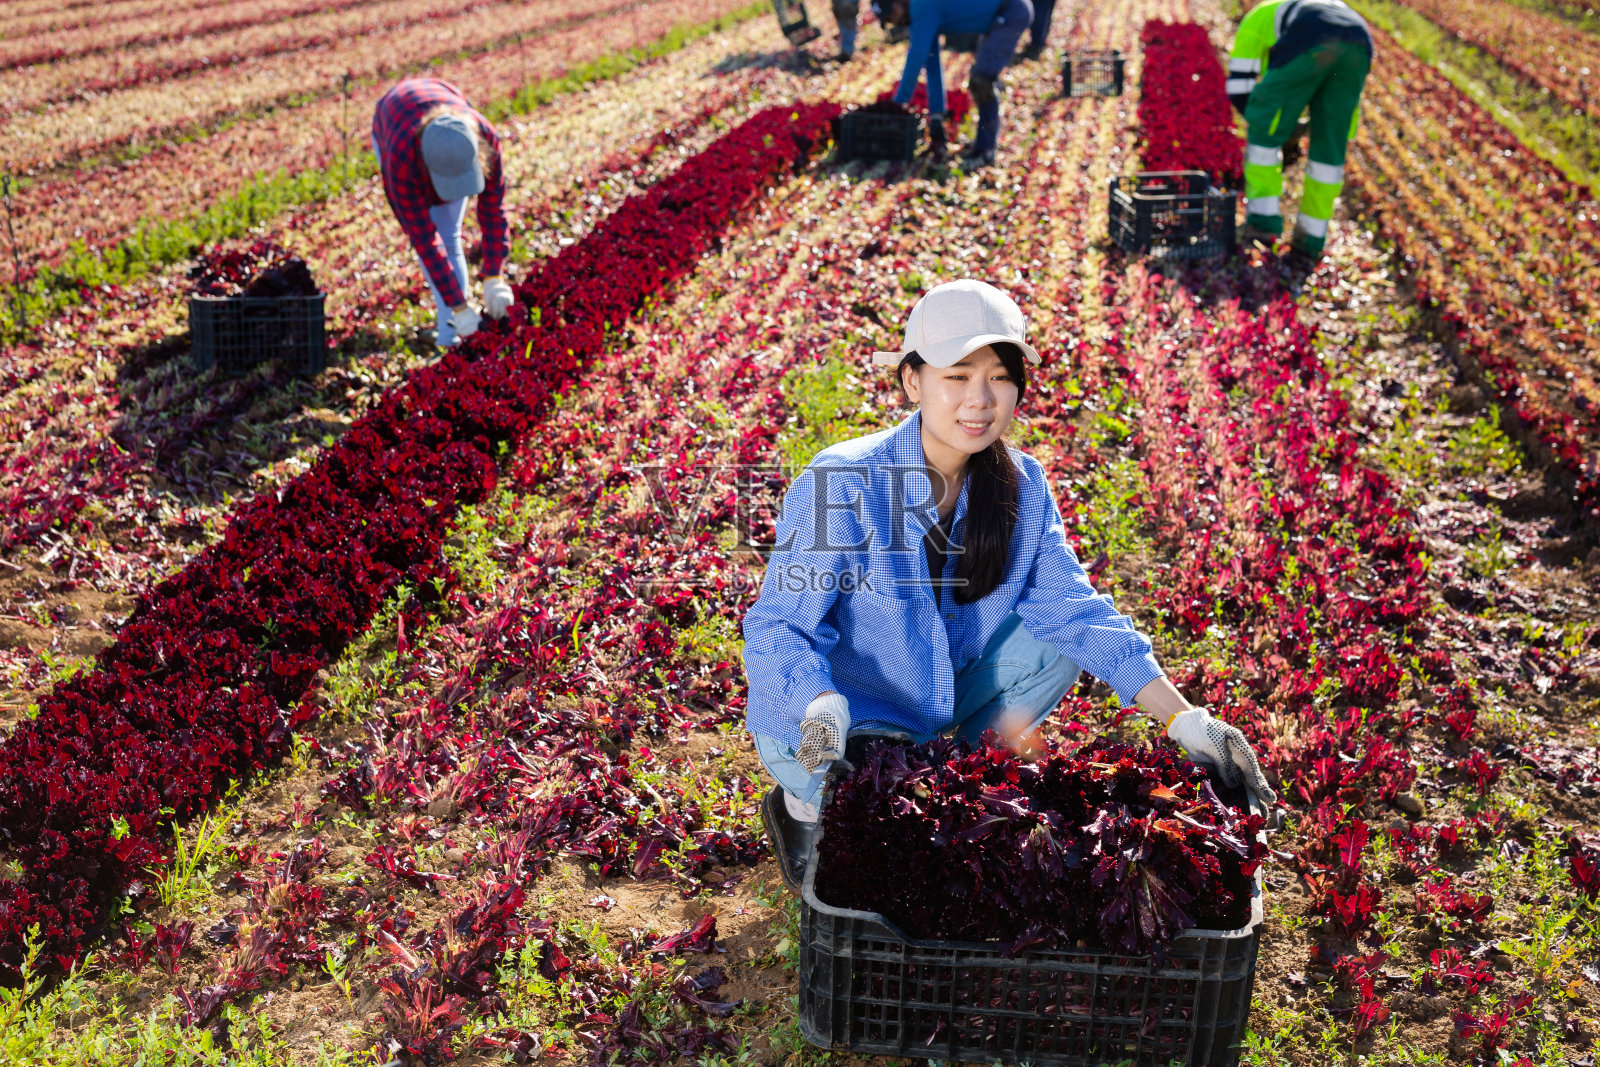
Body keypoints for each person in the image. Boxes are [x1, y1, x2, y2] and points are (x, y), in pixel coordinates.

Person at [742, 280, 1279, 890]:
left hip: (927, 706)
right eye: (957, 376)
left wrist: (1185, 721)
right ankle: (799, 808)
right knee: (855, 816)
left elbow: (1077, 613)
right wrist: (818, 707)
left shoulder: (1021, 485)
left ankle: (953, 772)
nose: (980, 400)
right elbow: (778, 629)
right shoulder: (843, 482)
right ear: (913, 381)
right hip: (829, 720)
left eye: (999, 377)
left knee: (1054, 642)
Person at [372, 77, 515, 348]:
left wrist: (494, 276)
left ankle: (451, 331)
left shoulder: (484, 136)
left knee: (450, 235)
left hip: (439, 94)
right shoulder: (400, 160)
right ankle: (451, 334)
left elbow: (493, 209)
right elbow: (425, 241)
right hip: (392, 118)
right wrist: (459, 308)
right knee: (444, 238)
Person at [1226, 0, 1372, 261]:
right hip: (1359, 42)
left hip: (1313, 36)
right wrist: (1295, 128)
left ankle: (1262, 224)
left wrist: (1267, 126)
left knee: (1263, 141)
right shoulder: (1314, 7)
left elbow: (1239, 87)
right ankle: (1311, 240)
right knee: (1329, 151)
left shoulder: (1256, 19)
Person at [887, 0, 1036, 168]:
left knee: (982, 81)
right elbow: (931, 60)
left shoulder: (921, 6)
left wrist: (898, 104)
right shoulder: (919, 13)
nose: (894, 21)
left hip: (1011, 11)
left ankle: (986, 151)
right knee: (982, 79)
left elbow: (916, 57)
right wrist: (937, 115)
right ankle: (983, 145)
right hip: (999, 16)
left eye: (892, 14)